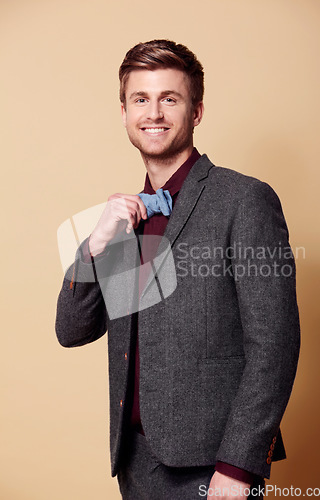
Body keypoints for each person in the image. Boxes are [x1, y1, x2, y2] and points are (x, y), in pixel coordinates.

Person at [55, 39, 300, 499]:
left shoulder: (245, 200)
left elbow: (276, 342)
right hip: (134, 465)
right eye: (140, 99)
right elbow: (71, 330)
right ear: (124, 112)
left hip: (214, 467)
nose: (154, 113)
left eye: (170, 98)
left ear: (197, 111)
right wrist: (95, 244)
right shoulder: (123, 220)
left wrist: (239, 467)